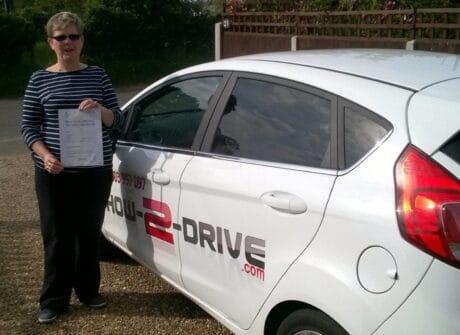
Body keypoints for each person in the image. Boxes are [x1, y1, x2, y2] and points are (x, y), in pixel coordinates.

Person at [21, 11, 123, 324]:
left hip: (94, 171)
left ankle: (89, 292)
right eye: (61, 37)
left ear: (81, 40)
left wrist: (101, 110)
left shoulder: (98, 75)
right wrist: (44, 155)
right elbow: (28, 127)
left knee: (88, 234)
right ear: (51, 42)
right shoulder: (39, 79)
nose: (68, 42)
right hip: (54, 174)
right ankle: (53, 300)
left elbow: (118, 120)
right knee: (56, 236)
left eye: (74, 36)